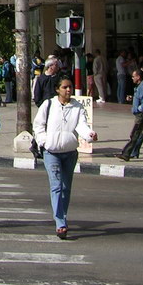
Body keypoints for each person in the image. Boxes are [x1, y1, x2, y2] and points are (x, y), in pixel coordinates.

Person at [33, 77, 97, 239]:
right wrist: (44, 142)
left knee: (66, 187)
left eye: (70, 87)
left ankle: (63, 215)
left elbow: (81, 125)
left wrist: (89, 135)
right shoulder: (48, 105)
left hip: (70, 152)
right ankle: (60, 222)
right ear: (57, 89)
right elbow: (38, 125)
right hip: (51, 152)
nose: (68, 90)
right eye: (65, 87)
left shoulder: (77, 107)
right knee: (56, 186)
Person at [118, 69, 143, 161]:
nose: (132, 78)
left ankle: (126, 153)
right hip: (140, 114)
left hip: (142, 115)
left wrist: (139, 109)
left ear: (138, 77)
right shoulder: (139, 87)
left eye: (133, 76)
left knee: (135, 134)